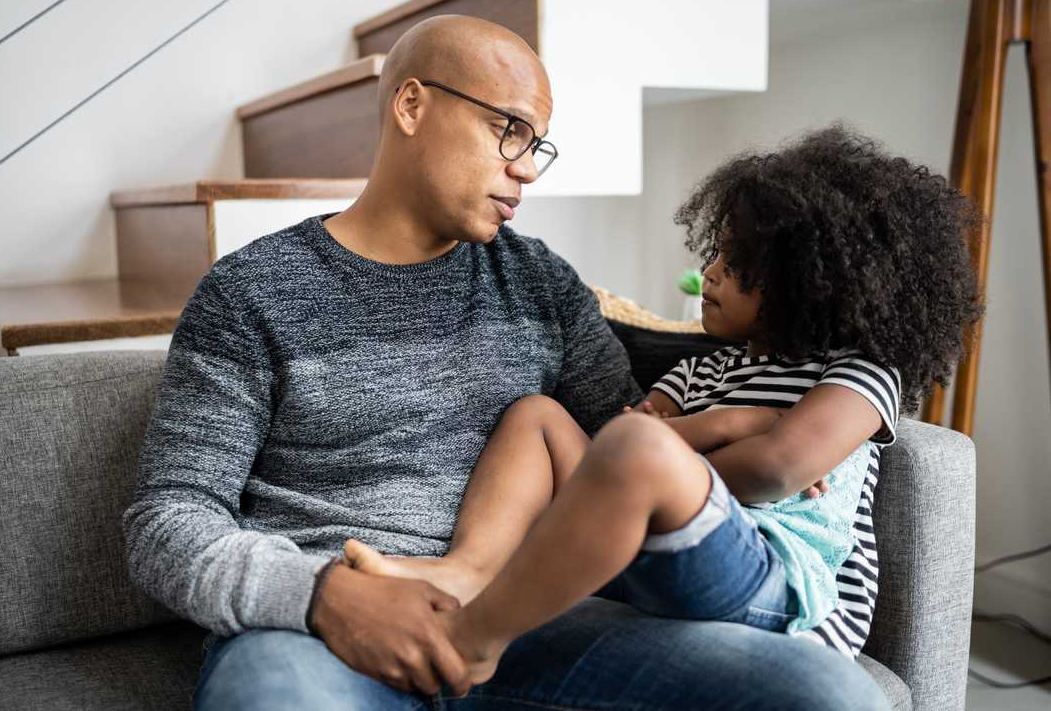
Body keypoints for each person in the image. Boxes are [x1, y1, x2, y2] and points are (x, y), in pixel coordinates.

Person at [122, 11, 894, 708]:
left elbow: (621, 453)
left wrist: (771, 419)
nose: (526, 168)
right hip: (325, 633)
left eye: (537, 147)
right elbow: (167, 521)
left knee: (822, 691)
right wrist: (324, 595)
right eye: (509, 131)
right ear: (413, 105)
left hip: (532, 622)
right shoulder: (251, 293)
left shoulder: (539, 283)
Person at [343, 124, 984, 680]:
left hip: (778, 584)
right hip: (660, 549)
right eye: (715, 256)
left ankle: (475, 642)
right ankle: (467, 568)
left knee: (638, 451)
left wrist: (675, 453)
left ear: (812, 285)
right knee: (536, 415)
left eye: (736, 266)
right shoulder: (703, 370)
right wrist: (733, 422)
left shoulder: (859, 375)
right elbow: (621, 448)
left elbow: (774, 471)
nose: (709, 274)